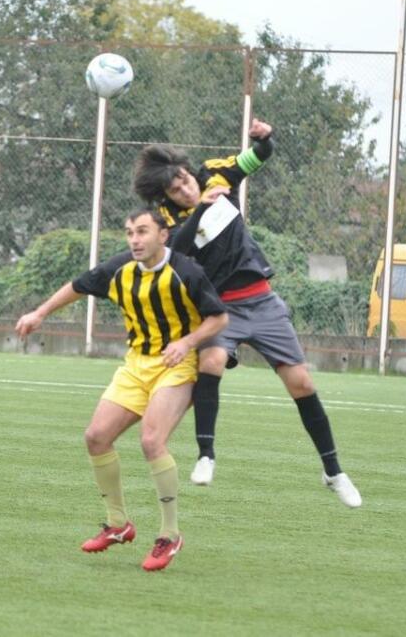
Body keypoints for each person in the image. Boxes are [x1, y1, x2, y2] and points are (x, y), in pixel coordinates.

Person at [133, 118, 362, 508]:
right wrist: (201, 209)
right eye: (175, 190)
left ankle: (333, 471)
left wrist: (264, 138)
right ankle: (206, 455)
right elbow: (178, 250)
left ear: (189, 170)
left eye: (185, 180)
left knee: (302, 384)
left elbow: (258, 157)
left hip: (261, 299)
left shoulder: (216, 174)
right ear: (164, 196)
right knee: (212, 361)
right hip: (220, 308)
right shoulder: (167, 221)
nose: (186, 189)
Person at [15, 208, 228, 572]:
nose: (134, 239)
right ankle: (118, 525)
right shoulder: (119, 269)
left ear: (163, 235)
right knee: (96, 437)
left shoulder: (186, 272)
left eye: (142, 231)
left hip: (176, 367)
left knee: (152, 441)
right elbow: (78, 286)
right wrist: (40, 313)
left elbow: (219, 317)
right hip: (135, 366)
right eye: (130, 232)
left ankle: (170, 534)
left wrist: (187, 343)